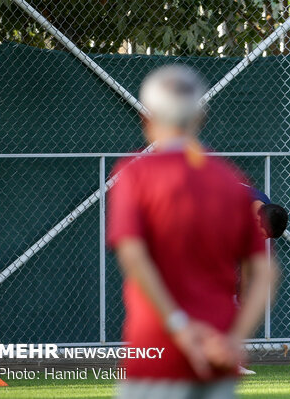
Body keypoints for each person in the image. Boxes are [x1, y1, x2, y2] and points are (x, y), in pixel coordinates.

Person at [107, 65, 275, 399]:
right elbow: (267, 274)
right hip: (217, 357)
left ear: (147, 118)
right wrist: (232, 341)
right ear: (201, 116)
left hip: (155, 350)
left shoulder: (134, 175)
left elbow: (133, 256)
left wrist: (179, 328)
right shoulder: (231, 181)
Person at [237, 183, 288, 375]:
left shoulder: (261, 208)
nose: (261, 240)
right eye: (261, 234)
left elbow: (245, 261)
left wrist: (242, 294)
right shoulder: (234, 208)